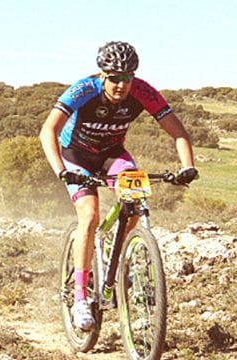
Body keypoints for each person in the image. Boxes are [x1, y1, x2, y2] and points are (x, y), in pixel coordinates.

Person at [39, 41, 198, 331]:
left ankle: (116, 256)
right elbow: (48, 130)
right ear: (102, 75)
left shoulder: (142, 91)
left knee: (135, 205)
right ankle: (79, 298)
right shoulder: (83, 90)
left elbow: (177, 131)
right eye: (114, 78)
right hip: (76, 156)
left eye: (128, 77)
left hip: (112, 155)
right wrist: (62, 171)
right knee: (89, 214)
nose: (121, 85)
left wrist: (187, 166)